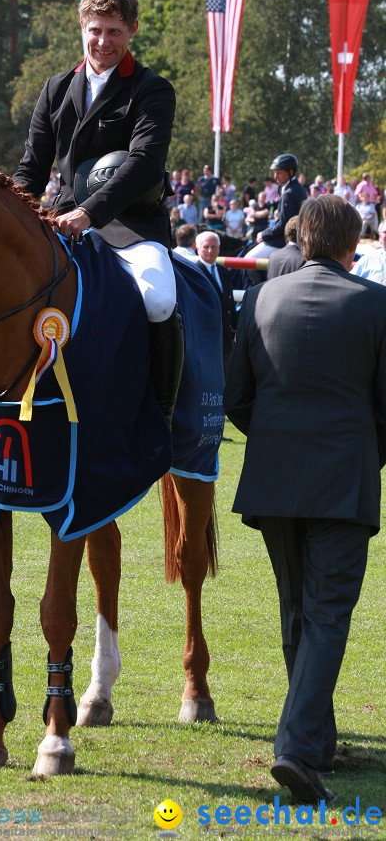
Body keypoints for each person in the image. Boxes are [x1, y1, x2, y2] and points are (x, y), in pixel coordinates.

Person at [224, 194, 386, 804]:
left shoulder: (263, 297)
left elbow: (238, 394)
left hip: (274, 475)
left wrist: (273, 441)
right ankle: (296, 747)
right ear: (351, 245)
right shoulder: (376, 304)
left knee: (297, 608)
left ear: (303, 238)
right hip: (344, 479)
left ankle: (313, 740)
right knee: (326, 616)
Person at [14, 0, 182, 424]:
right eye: (94, 30)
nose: (102, 41)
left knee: (160, 299)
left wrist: (90, 213)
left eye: (113, 31)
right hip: (61, 216)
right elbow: (32, 167)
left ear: (132, 31)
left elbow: (145, 164)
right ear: (81, 28)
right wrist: (11, 214)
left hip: (131, 223)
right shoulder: (55, 89)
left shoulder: (152, 89)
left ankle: (161, 415)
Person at [245, 154, 307, 260]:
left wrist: (264, 234)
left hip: (284, 240)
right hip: (297, 239)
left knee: (248, 259)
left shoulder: (289, 193)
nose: (275, 176)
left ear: (290, 172)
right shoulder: (300, 188)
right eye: (274, 172)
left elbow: (283, 224)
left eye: (279, 172)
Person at [195, 231, 236, 376]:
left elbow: (229, 305)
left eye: (214, 246)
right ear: (198, 248)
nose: (210, 251)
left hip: (224, 338)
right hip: (204, 338)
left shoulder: (224, 271)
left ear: (219, 249)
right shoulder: (194, 272)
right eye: (206, 247)